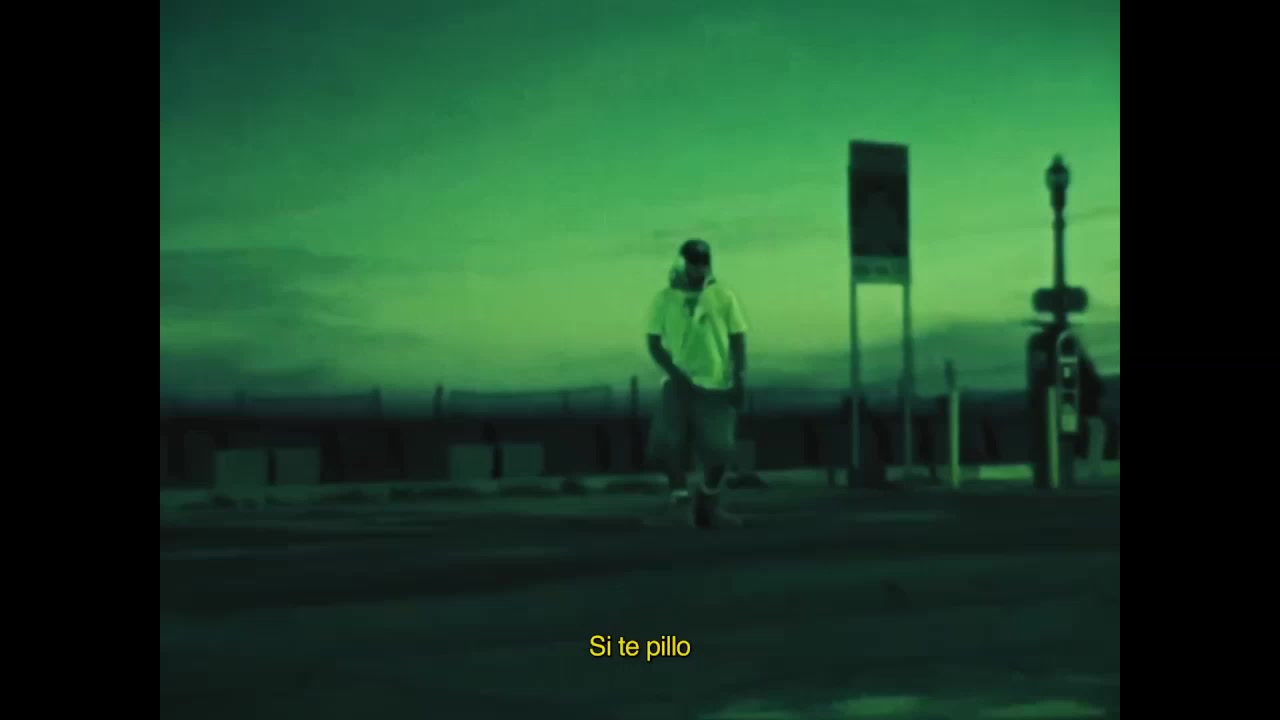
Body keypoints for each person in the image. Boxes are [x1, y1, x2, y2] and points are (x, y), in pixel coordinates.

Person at [645, 238, 748, 529]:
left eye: (703, 262)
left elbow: (738, 338)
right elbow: (654, 343)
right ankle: (680, 503)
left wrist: (739, 377)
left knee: (720, 450)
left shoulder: (723, 297)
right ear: (682, 262)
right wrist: (676, 375)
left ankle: (707, 505)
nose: (698, 268)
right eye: (693, 262)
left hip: (716, 384)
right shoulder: (664, 299)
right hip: (677, 384)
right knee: (669, 442)